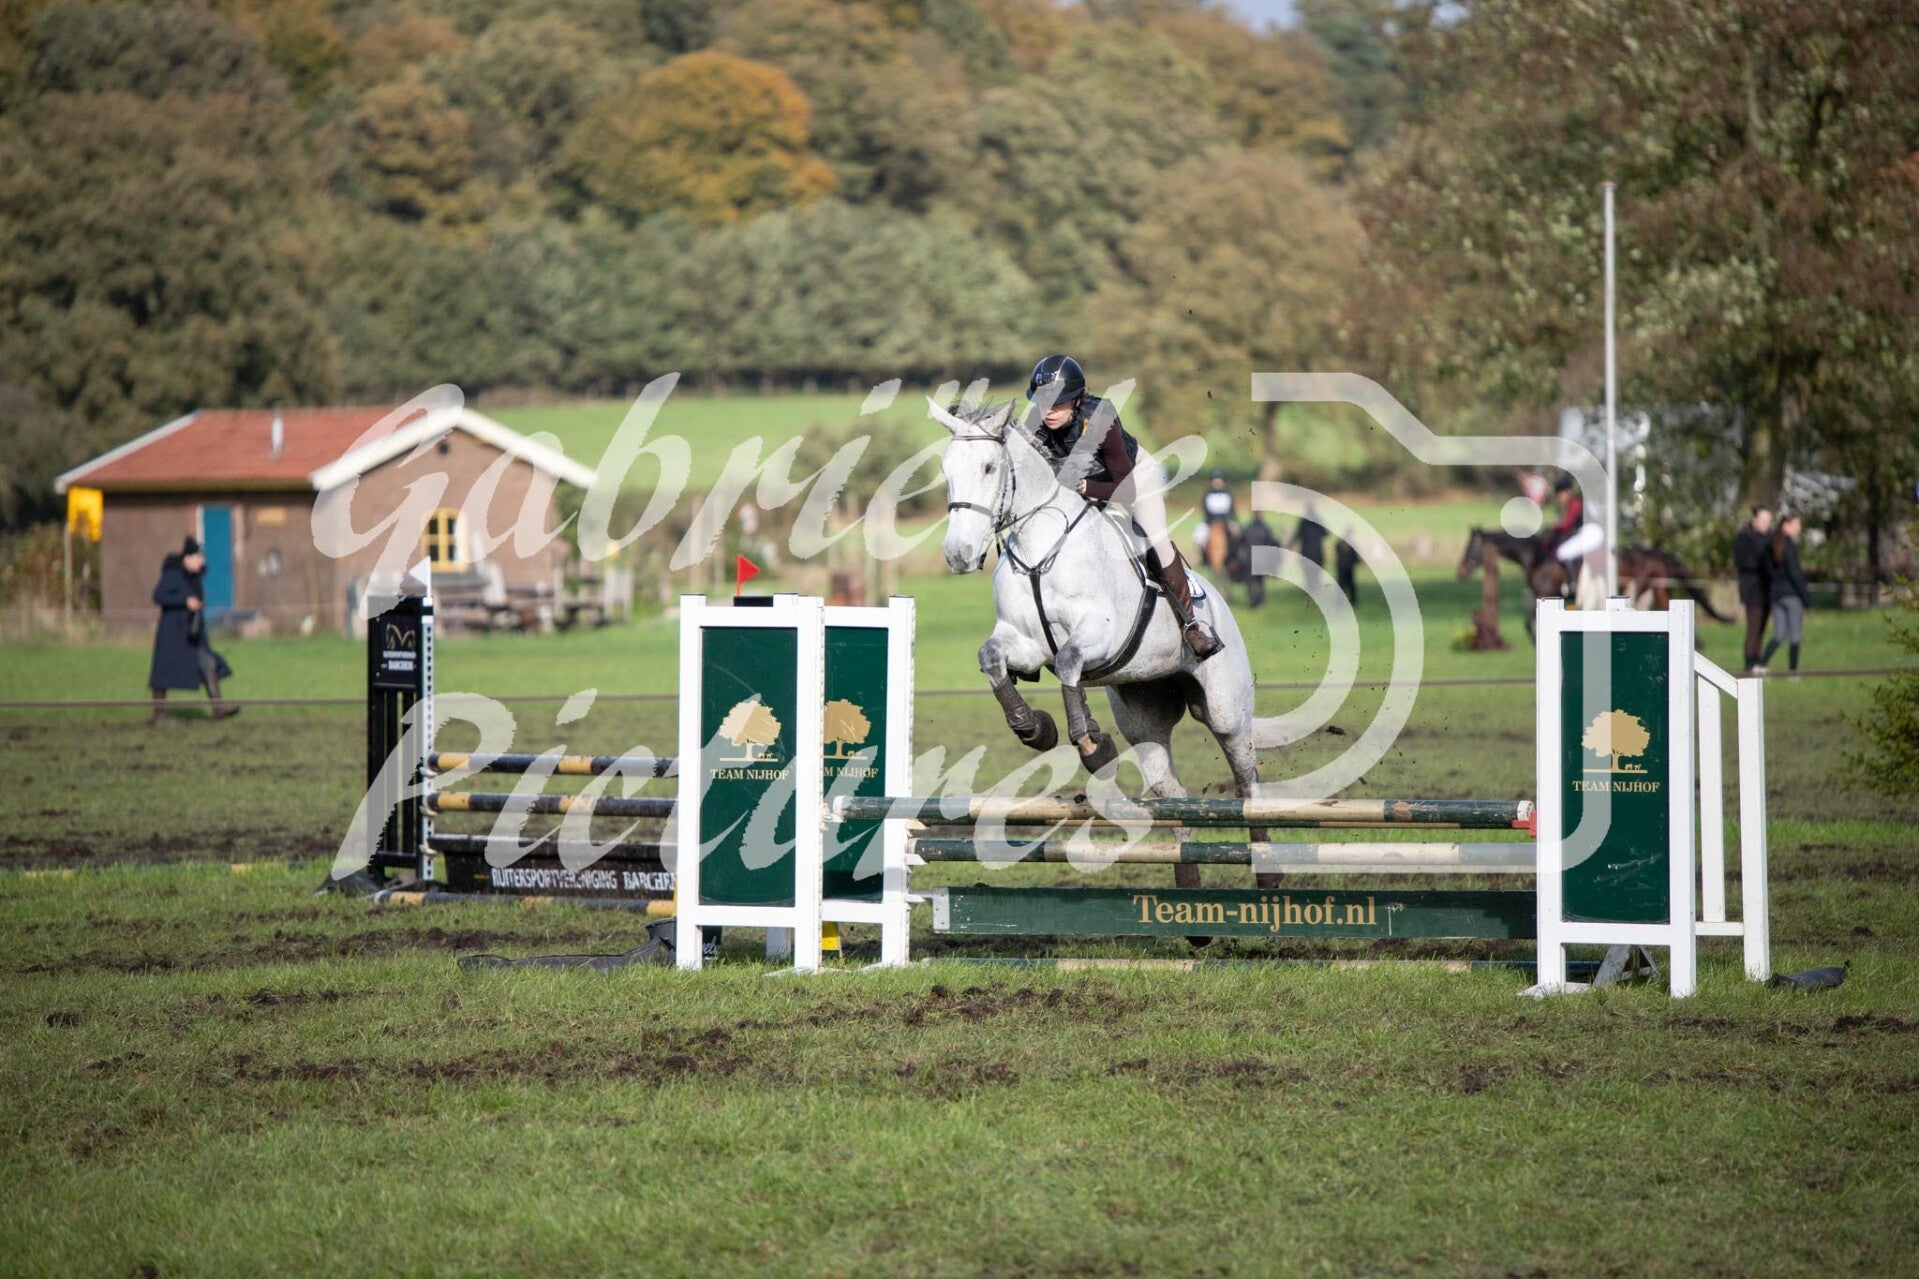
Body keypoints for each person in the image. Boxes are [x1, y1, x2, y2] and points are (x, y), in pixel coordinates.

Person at [1024, 355, 1220, 658]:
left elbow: (1125, 489)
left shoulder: (1099, 419)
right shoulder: (1035, 424)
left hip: (1132, 478)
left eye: (1057, 403)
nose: (1047, 410)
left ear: (1077, 400)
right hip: (1080, 485)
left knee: (1153, 537)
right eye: (1042, 402)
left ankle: (1191, 625)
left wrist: (1083, 487)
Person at [149, 536, 237, 722]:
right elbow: (158, 596)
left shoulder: (195, 578)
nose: (202, 562)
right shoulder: (172, 574)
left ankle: (218, 709)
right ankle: (159, 713)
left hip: (191, 635)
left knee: (208, 662)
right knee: (162, 672)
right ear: (187, 557)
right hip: (171, 633)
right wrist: (184, 601)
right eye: (199, 558)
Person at [1759, 513, 1810, 673]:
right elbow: (1795, 573)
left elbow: (1768, 572)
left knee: (1779, 634)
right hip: (1791, 596)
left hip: (1775, 595)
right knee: (1795, 635)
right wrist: (1806, 597)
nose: (1799, 528)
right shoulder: (1789, 546)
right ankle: (1793, 671)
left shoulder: (1770, 545)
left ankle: (1760, 665)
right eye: (1797, 524)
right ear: (1786, 525)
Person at [1732, 506, 1775, 672]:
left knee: (1762, 628)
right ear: (1755, 520)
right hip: (1752, 590)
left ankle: (1757, 660)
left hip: (1767, 589)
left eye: (1769, 521)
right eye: (1764, 520)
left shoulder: (1771, 538)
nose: (1767, 524)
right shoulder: (1744, 537)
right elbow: (1743, 562)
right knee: (1754, 628)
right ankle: (1750, 662)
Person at [1201, 470, 1236, 574]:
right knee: (1199, 537)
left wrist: (1232, 522)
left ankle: (1233, 559)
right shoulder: (1207, 494)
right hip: (1211, 523)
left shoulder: (1228, 493)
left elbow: (1232, 511)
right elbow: (1206, 511)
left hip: (1225, 522)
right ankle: (1204, 558)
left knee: (1237, 535)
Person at [1291, 501, 1327, 570]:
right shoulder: (1319, 520)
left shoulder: (1303, 522)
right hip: (1318, 553)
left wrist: (1289, 544)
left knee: (1308, 573)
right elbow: (1325, 534)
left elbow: (1298, 536)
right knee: (1316, 573)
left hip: (1306, 552)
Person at [1335, 528, 1360, 605]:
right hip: (1345, 566)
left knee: (1349, 585)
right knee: (1345, 585)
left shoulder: (1342, 542)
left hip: (1345, 566)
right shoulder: (1344, 543)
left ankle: (1351, 601)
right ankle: (1342, 601)